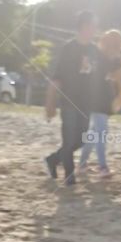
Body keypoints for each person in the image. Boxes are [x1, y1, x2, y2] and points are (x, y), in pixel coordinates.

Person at [44, 10, 97, 186]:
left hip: (86, 101)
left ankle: (53, 159)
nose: (94, 29)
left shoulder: (94, 50)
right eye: (92, 25)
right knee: (68, 139)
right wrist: (50, 102)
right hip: (69, 100)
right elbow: (57, 76)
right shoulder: (68, 48)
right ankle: (69, 176)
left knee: (81, 140)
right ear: (83, 26)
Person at [78, 29, 121, 178]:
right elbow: (119, 79)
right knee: (101, 134)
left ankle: (82, 165)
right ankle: (103, 167)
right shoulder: (106, 57)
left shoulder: (98, 54)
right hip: (99, 99)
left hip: (99, 98)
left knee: (94, 133)